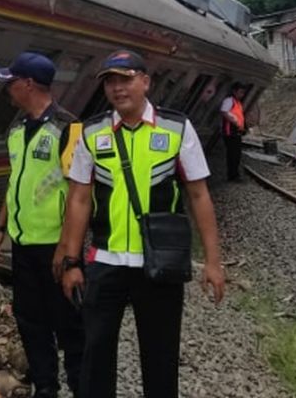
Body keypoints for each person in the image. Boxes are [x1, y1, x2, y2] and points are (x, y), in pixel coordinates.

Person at [53, 50, 225, 398]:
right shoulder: (91, 132)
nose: (118, 88)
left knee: (160, 359)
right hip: (104, 263)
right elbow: (79, 199)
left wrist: (213, 261)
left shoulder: (177, 128)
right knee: (94, 358)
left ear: (145, 82)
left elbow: (198, 195)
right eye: (110, 82)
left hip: (159, 265)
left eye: (126, 78)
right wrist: (71, 260)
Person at [0, 52, 83, 397]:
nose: (8, 90)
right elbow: (16, 182)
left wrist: (68, 251)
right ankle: (46, 386)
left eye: (11, 83)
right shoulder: (16, 131)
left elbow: (79, 192)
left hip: (57, 247)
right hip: (24, 244)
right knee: (30, 321)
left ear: (28, 84)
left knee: (69, 324)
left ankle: (80, 385)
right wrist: (0, 226)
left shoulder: (68, 128)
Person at [219, 82, 247, 181]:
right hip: (230, 132)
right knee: (232, 154)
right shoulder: (229, 101)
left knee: (237, 154)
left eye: (243, 92)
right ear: (234, 91)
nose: (242, 94)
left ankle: (235, 174)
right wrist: (234, 121)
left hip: (236, 132)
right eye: (240, 92)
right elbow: (224, 111)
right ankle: (232, 175)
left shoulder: (237, 102)